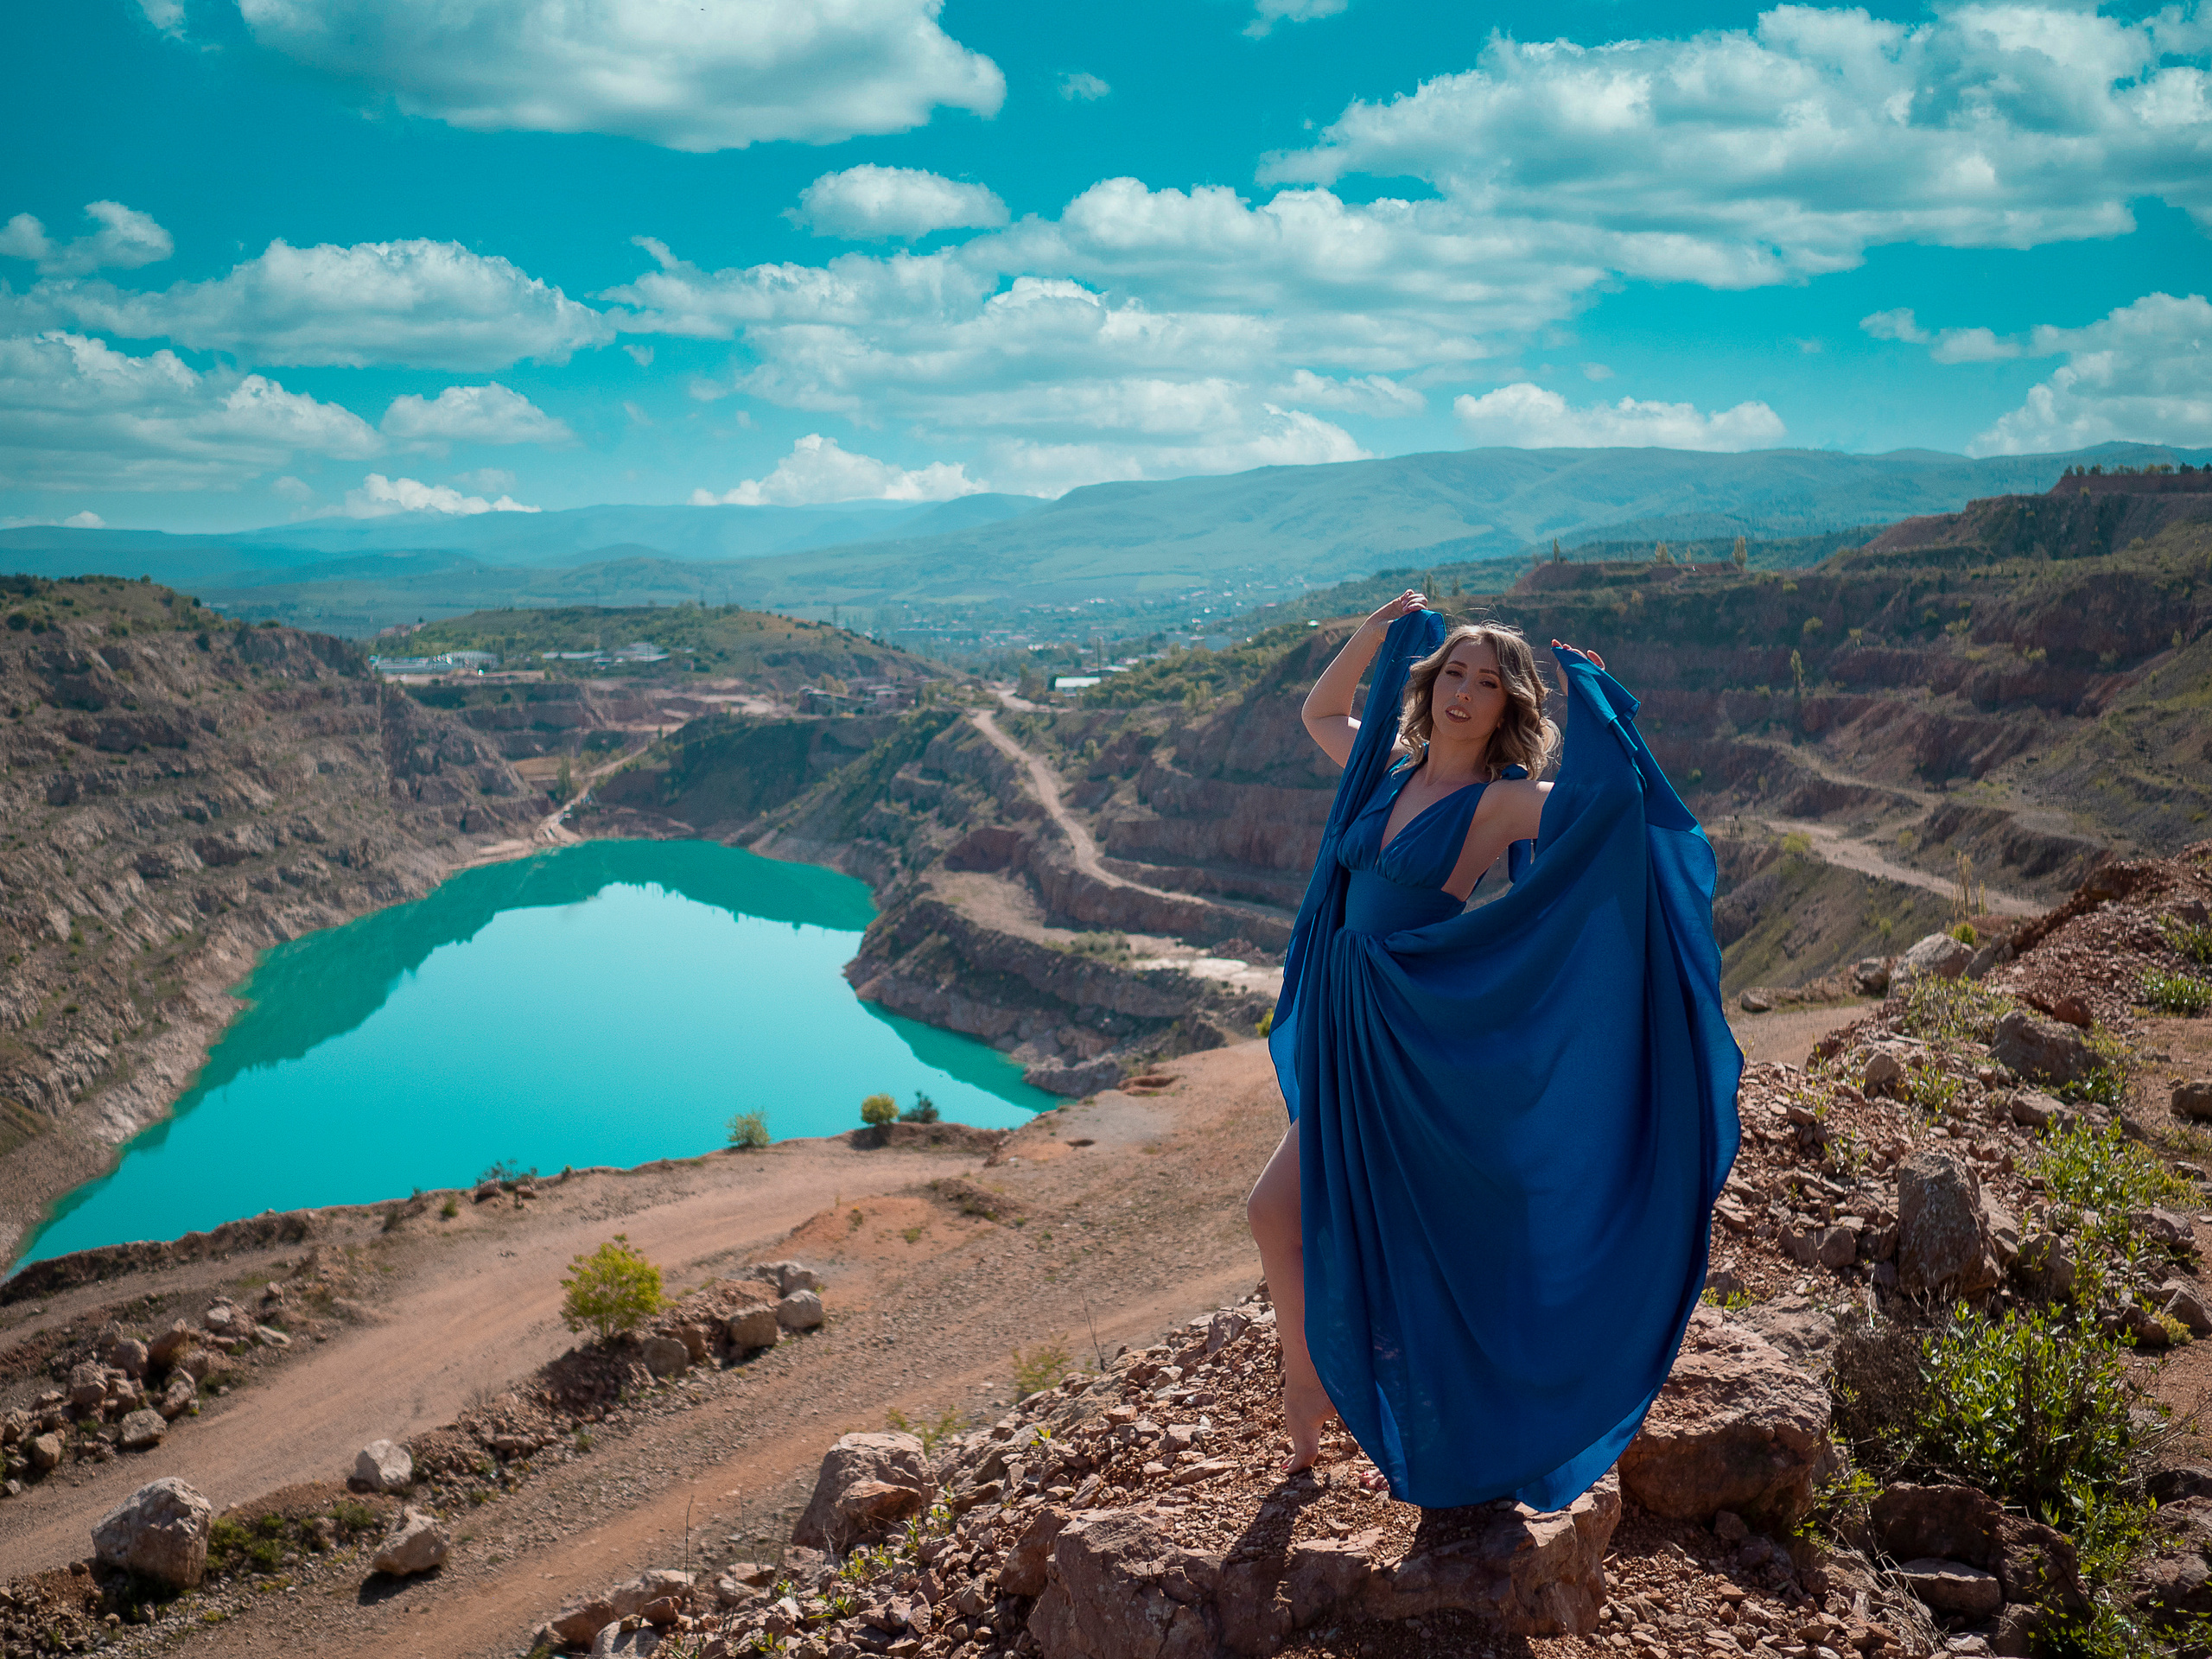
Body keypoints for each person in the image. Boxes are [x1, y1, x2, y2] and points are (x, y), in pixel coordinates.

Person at [1246, 590, 1740, 1512]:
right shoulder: (1386, 771)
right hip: (1350, 1025)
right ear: (1429, 686)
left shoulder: (1502, 802)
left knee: (1400, 1233)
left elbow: (1613, 810)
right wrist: (1373, 637)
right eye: (1451, 675)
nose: (1461, 694)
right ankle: (1308, 1385)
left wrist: (1595, 696)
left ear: (1509, 704)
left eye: (1485, 682)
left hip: (1413, 1037)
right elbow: (1317, 711)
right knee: (1278, 1211)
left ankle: (1456, 1420)